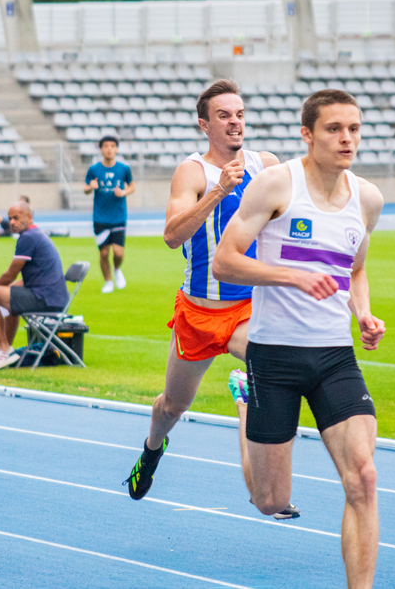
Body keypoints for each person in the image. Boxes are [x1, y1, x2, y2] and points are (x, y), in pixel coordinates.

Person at [212, 89, 386, 589]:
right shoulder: (275, 184)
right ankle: (245, 401)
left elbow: (355, 270)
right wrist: (291, 276)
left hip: (335, 357)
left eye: (353, 128)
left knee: (364, 478)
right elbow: (226, 261)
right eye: (334, 129)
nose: (346, 138)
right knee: (270, 500)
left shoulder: (367, 199)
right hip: (275, 356)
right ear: (307, 135)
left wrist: (365, 315)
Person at [123, 79, 281, 505]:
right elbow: (173, 236)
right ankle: (152, 450)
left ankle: (266, 482)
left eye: (240, 114)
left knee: (275, 368)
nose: (235, 122)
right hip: (199, 311)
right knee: (172, 407)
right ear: (204, 124)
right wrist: (219, 191)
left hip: (249, 308)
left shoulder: (266, 165)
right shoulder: (193, 172)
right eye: (224, 115)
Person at [0, 200, 68, 371]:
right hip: (53, 297)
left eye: (16, 218)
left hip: (45, 299)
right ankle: (4, 352)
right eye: (10, 218)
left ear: (29, 216)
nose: (12, 222)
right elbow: (27, 280)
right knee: (11, 300)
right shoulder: (37, 235)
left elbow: (10, 274)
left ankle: (3, 349)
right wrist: (4, 291)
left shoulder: (28, 238)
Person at [84, 136, 134, 294]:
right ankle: (108, 282)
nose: (109, 149)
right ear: (101, 149)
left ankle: (117, 269)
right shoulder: (94, 170)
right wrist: (90, 187)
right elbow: (85, 188)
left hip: (118, 216)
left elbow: (132, 186)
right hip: (100, 217)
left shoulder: (124, 169)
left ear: (117, 149)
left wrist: (124, 192)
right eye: (106, 146)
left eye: (112, 146)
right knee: (104, 252)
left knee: (118, 252)